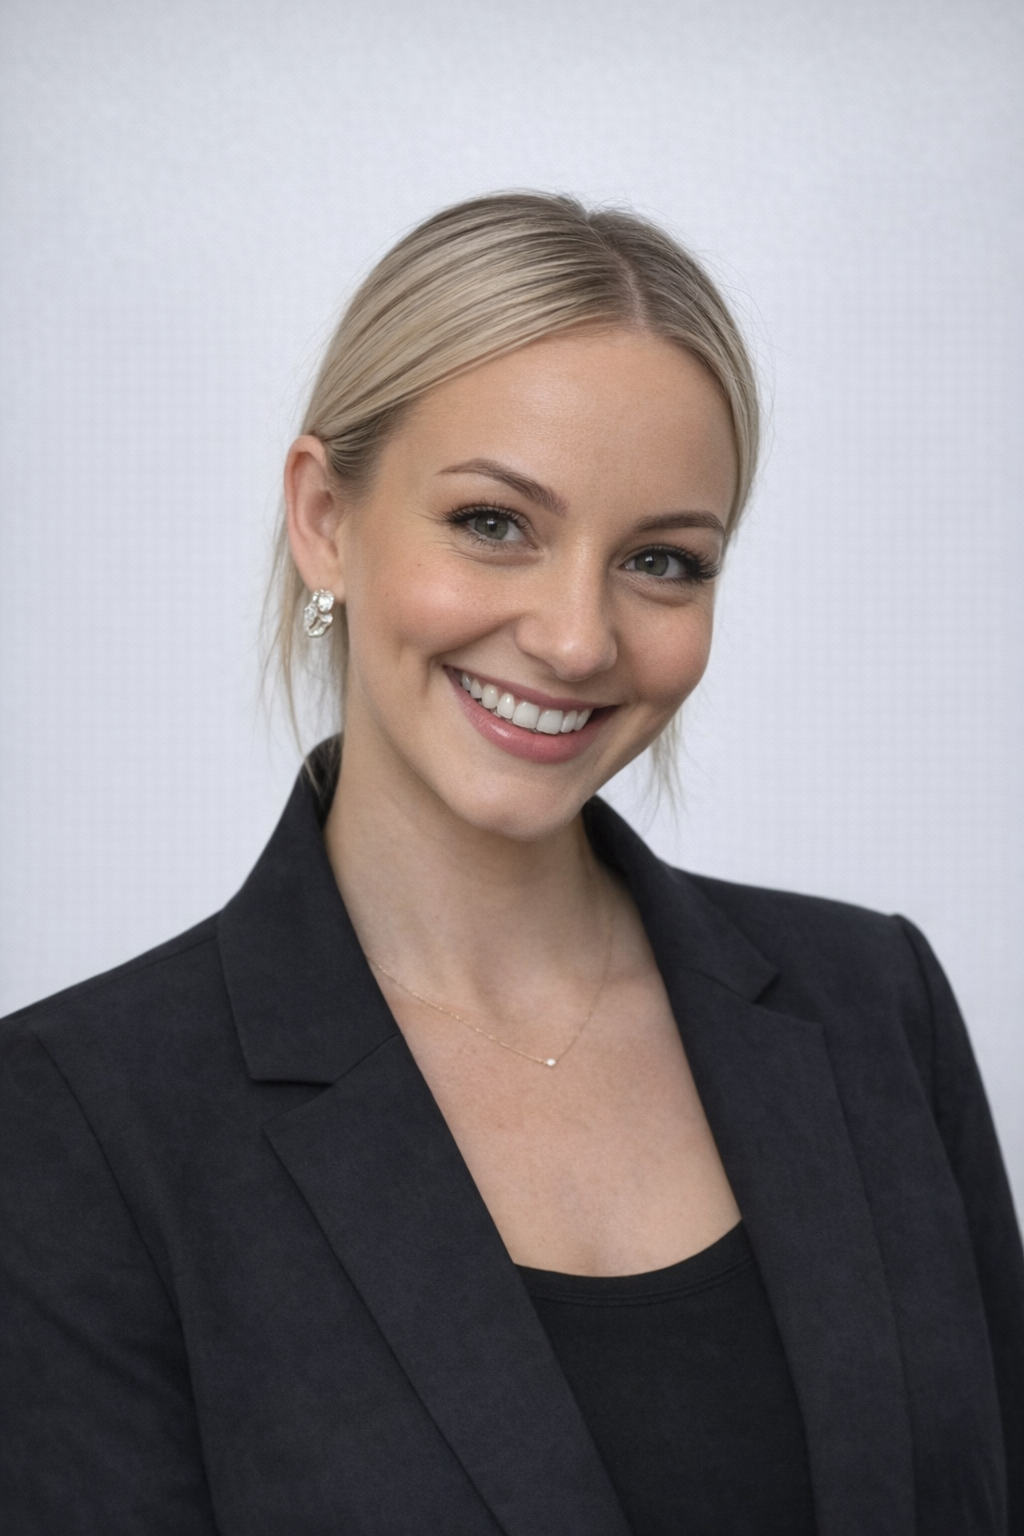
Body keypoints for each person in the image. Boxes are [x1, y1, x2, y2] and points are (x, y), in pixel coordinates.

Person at [1, 192, 1021, 1536]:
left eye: (662, 560)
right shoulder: (73, 1118)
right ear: (325, 517)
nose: (578, 638)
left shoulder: (876, 1005)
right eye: (494, 523)